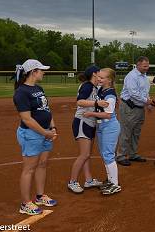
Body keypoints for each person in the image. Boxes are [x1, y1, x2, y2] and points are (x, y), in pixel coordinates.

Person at [13, 59, 58, 216]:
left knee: (43, 164)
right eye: (41, 70)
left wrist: (52, 128)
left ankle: (40, 196)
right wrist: (44, 132)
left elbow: (46, 109)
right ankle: (25, 203)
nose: (44, 72)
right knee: (29, 169)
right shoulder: (21, 92)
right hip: (32, 134)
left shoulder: (39, 88)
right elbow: (27, 119)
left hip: (45, 131)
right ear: (33, 72)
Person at [68, 65, 108, 194]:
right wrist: (96, 103)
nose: (101, 77)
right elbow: (79, 102)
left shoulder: (94, 87)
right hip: (82, 122)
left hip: (90, 122)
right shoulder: (87, 86)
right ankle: (72, 182)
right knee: (84, 154)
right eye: (99, 75)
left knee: (87, 155)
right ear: (94, 74)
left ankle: (88, 180)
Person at [83, 68, 121, 195]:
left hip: (109, 127)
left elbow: (108, 115)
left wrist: (90, 113)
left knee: (108, 155)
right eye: (98, 77)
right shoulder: (101, 89)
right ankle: (110, 180)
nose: (98, 79)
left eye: (102, 78)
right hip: (102, 127)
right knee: (105, 154)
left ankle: (115, 184)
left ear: (109, 80)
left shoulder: (110, 94)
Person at [116, 56, 152, 166]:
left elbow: (144, 92)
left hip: (139, 108)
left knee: (136, 132)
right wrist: (146, 101)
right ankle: (121, 155)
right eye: (145, 66)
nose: (147, 68)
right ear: (138, 65)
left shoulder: (144, 77)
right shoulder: (132, 76)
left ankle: (132, 153)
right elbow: (133, 94)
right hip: (129, 107)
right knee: (126, 131)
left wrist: (147, 103)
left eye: (148, 65)